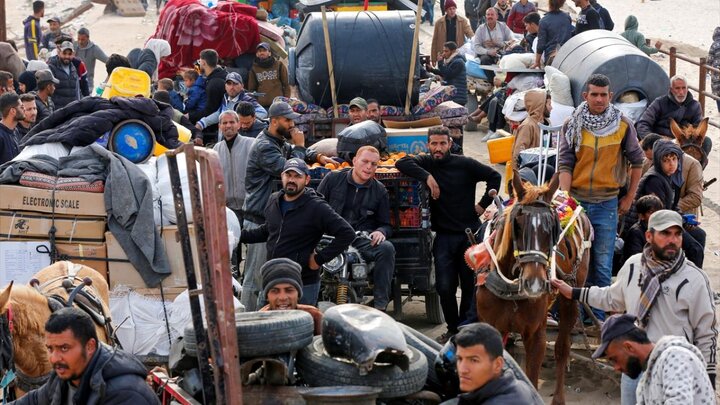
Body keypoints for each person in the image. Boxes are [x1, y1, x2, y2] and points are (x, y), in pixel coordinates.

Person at [552, 210, 717, 403]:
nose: (673, 240)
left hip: (674, 368)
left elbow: (707, 334)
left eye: (677, 234)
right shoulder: (633, 266)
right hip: (633, 367)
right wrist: (574, 292)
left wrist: (709, 381)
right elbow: (611, 298)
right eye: (665, 233)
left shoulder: (695, 279)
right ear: (649, 235)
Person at [397, 126, 502, 343]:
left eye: (442, 143)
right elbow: (402, 162)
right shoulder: (426, 162)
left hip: (469, 236)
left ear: (450, 144)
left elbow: (494, 176)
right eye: (434, 144)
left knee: (469, 285)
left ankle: (465, 328)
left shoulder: (464, 164)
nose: (438, 148)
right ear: (428, 145)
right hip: (443, 237)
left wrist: (482, 205)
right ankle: (452, 327)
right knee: (444, 286)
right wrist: (428, 177)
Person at [558, 73, 644, 321]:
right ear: (585, 96)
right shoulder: (571, 124)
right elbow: (565, 164)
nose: (598, 99)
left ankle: (597, 319)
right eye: (594, 94)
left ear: (610, 96)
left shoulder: (623, 126)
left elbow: (637, 162)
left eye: (603, 95)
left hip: (607, 203)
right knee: (568, 260)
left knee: (602, 263)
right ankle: (566, 314)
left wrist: (629, 198)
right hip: (576, 204)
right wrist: (565, 199)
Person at [240, 101, 324, 310]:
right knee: (256, 278)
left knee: (272, 277)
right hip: (258, 220)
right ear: (274, 121)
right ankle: (246, 323)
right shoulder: (264, 146)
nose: (291, 124)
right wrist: (300, 147)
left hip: (271, 222)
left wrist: (320, 156)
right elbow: (289, 169)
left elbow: (291, 153)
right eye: (287, 120)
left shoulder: (276, 141)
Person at [240, 158, 356, 306]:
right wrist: (237, 236)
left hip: (303, 283)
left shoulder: (316, 207)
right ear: (282, 176)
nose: (292, 180)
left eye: (297, 176)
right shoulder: (274, 200)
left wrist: (319, 259)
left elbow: (347, 233)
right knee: (268, 324)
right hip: (273, 279)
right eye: (288, 175)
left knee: (301, 326)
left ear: (307, 179)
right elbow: (268, 230)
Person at [11, 307, 159, 405]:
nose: (55, 358)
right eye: (50, 348)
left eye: (64, 348)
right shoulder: (65, 376)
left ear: (90, 346)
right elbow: (36, 399)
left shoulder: (125, 394)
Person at [317, 146, 395, 311]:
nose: (369, 167)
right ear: (354, 161)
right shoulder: (332, 179)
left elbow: (386, 224)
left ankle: (380, 305)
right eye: (365, 161)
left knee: (387, 249)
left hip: (359, 239)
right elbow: (315, 206)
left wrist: (381, 231)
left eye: (374, 164)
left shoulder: (379, 190)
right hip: (330, 238)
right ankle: (308, 298)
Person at [590, 314, 715, 405]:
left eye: (614, 359)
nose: (616, 368)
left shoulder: (675, 357)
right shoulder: (645, 381)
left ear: (629, 347)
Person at [442, 323, 542, 404]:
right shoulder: (518, 385)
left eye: (474, 360)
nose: (462, 370)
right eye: (459, 359)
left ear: (498, 364)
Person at [636, 75, 711, 156]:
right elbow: (643, 124)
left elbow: (697, 127)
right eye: (677, 88)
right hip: (660, 138)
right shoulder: (659, 103)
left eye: (683, 88)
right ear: (671, 89)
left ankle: (696, 167)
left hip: (684, 141)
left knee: (706, 142)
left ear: (687, 89)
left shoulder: (695, 105)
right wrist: (653, 140)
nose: (681, 92)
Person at [623, 195, 704, 268]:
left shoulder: (666, 228)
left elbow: (696, 249)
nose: (655, 215)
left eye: (658, 212)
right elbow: (637, 263)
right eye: (651, 212)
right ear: (641, 216)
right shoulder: (636, 233)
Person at [195, 72, 267, 144]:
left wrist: (242, 121)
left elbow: (262, 112)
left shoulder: (247, 100)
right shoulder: (225, 98)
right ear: (225, 86)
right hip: (223, 143)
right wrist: (203, 123)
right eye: (229, 84)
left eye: (235, 84)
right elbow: (219, 113)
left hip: (238, 144)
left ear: (242, 86)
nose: (232, 87)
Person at [212, 110, 255, 226]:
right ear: (219, 126)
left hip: (250, 207)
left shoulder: (251, 144)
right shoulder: (216, 149)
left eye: (232, 122)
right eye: (224, 123)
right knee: (233, 241)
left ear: (239, 125)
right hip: (228, 209)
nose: (228, 125)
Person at [258, 258, 323, 335]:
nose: (283, 297)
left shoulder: (314, 317)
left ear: (298, 294)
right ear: (267, 296)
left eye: (289, 290)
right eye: (275, 291)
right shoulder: (258, 323)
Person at [189, 49, 227, 142]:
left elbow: (210, 110)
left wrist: (190, 116)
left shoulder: (213, 84)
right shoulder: (222, 75)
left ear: (204, 63)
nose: (198, 63)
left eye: (200, 61)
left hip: (214, 127)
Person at [472, 7, 514, 82]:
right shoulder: (481, 29)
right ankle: (493, 82)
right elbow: (476, 46)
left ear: (497, 16)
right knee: (484, 60)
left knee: (510, 60)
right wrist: (488, 52)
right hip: (487, 54)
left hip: (501, 53)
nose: (490, 16)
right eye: (488, 15)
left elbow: (512, 41)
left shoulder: (503, 27)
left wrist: (497, 43)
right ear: (485, 16)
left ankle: (506, 82)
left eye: (492, 14)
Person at [511, 89, 551, 169]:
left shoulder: (546, 123)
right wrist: (518, 176)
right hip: (532, 170)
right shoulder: (528, 126)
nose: (551, 108)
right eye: (549, 104)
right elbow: (518, 154)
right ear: (540, 106)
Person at [247, 42, 290, 109]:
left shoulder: (279, 65)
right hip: (263, 106)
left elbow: (286, 84)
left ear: (269, 53)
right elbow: (251, 90)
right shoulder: (254, 69)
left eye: (264, 50)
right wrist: (256, 104)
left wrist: (286, 101)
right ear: (257, 54)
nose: (262, 53)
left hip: (279, 104)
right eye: (259, 51)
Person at [431, 0, 474, 65]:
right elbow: (435, 41)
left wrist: (474, 39)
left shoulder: (462, 21)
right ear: (446, 10)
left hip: (456, 51)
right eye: (450, 9)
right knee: (443, 71)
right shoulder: (439, 23)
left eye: (454, 8)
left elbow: (469, 33)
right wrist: (433, 58)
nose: (452, 11)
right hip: (444, 52)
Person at [532, 0, 572, 68]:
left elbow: (541, 45)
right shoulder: (567, 17)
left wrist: (537, 62)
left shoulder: (544, 21)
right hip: (567, 56)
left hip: (552, 58)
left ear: (549, 3)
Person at [427, 42, 468, 106]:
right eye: (443, 51)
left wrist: (440, 62)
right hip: (453, 95)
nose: (444, 54)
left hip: (458, 97)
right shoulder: (451, 61)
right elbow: (445, 72)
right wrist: (432, 70)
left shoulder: (459, 62)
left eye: (446, 51)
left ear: (453, 51)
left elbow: (448, 74)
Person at [47, 41, 83, 109]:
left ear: (73, 54)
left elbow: (77, 90)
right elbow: (47, 92)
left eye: (69, 54)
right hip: (58, 111)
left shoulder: (73, 68)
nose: (67, 56)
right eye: (64, 53)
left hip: (72, 110)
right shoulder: (52, 67)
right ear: (59, 52)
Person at [0, 93, 23, 165]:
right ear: (13, 111)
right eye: (21, 107)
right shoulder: (1, 136)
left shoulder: (15, 130)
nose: (24, 109)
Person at [708, 27, 720, 111]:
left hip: (717, 73)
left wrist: (706, 70)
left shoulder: (714, 45)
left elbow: (709, 59)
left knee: (717, 92)